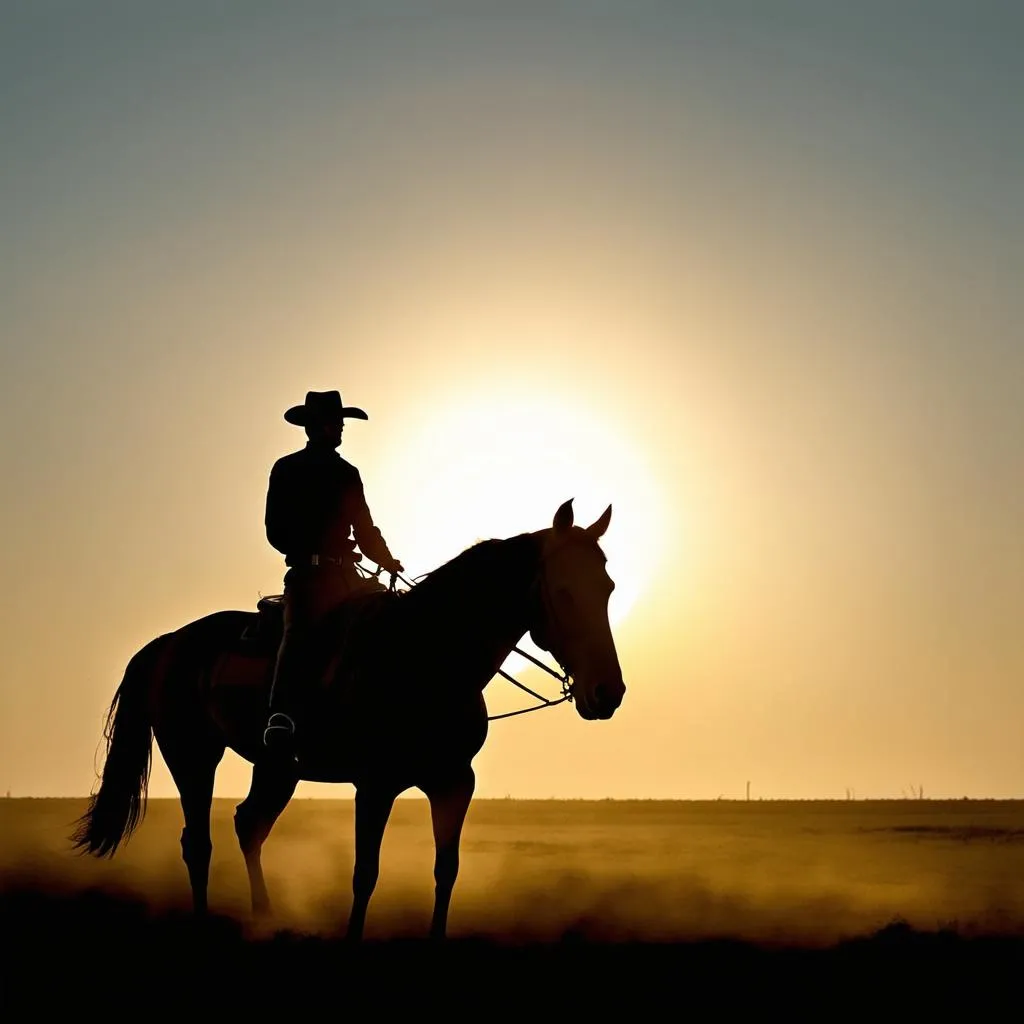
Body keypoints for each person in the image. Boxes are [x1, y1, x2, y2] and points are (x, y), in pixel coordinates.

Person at [263, 390, 403, 758]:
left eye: (341, 422)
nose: (340, 427)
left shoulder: (347, 474)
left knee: (387, 620)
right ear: (314, 427)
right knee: (298, 635)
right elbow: (275, 530)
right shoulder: (287, 469)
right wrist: (318, 544)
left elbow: (365, 529)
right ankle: (281, 716)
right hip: (308, 578)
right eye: (335, 421)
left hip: (347, 579)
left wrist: (387, 560)